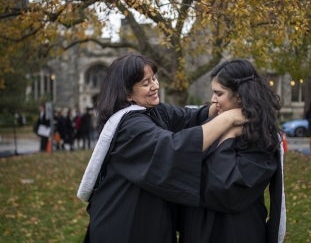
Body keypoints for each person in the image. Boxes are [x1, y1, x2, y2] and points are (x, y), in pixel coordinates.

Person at [77, 53, 246, 243]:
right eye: (145, 83)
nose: (155, 86)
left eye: (154, 79)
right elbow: (172, 149)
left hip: (150, 220)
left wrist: (220, 104)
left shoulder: (155, 111)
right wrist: (230, 118)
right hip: (124, 224)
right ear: (126, 93)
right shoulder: (129, 126)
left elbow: (187, 117)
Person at [178, 59, 286, 243]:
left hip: (235, 232)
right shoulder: (213, 125)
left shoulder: (261, 139)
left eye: (218, 93)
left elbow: (226, 190)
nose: (213, 100)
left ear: (240, 96)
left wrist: (228, 136)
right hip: (198, 228)